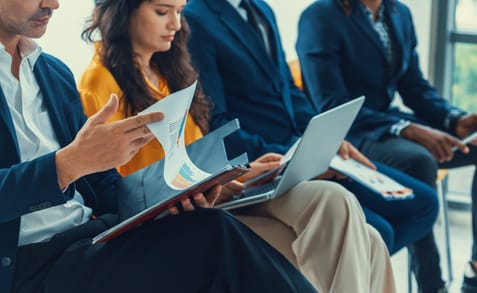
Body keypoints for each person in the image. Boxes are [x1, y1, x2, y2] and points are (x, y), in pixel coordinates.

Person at [0, 0, 381, 293]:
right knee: (214, 235)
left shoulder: (51, 73)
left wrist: (175, 195)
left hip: (84, 249)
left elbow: (100, 189)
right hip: (21, 281)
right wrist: (68, 164)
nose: (53, 3)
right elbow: (72, 168)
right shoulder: (89, 79)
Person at [296, 0, 477, 293]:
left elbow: (414, 86)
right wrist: (406, 129)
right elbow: (330, 105)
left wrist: (452, 119)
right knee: (418, 160)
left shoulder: (397, 13)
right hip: (354, 137)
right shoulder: (320, 17)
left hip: (391, 124)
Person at [183, 0, 439, 257]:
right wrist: (293, 158)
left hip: (299, 149)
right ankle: (333, 283)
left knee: (424, 205)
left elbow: (288, 89)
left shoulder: (260, 8)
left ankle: (336, 282)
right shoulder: (196, 18)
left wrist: (322, 138)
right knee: (378, 231)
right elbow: (217, 126)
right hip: (266, 163)